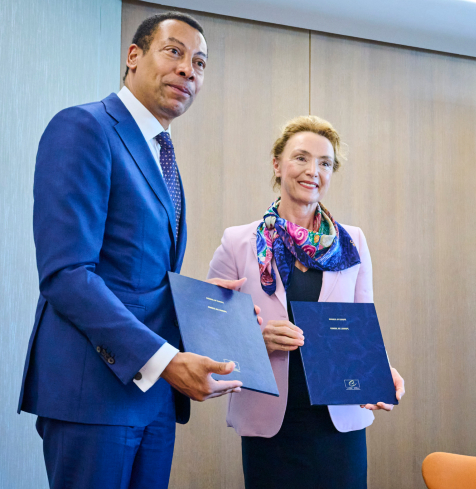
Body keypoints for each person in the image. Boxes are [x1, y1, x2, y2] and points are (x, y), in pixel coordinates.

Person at [18, 12, 255, 488]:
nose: (189, 70)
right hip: (94, 396)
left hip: (153, 400)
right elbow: (67, 274)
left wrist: (197, 301)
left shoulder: (159, 150)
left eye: (201, 63)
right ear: (133, 57)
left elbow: (136, 273)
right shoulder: (84, 128)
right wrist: (167, 360)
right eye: (175, 52)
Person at [207, 115, 405, 489]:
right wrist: (255, 340)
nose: (313, 170)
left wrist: (380, 373)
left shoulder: (353, 242)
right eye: (301, 158)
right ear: (277, 163)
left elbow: (362, 330)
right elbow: (209, 335)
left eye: (325, 163)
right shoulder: (238, 241)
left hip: (338, 425)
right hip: (270, 426)